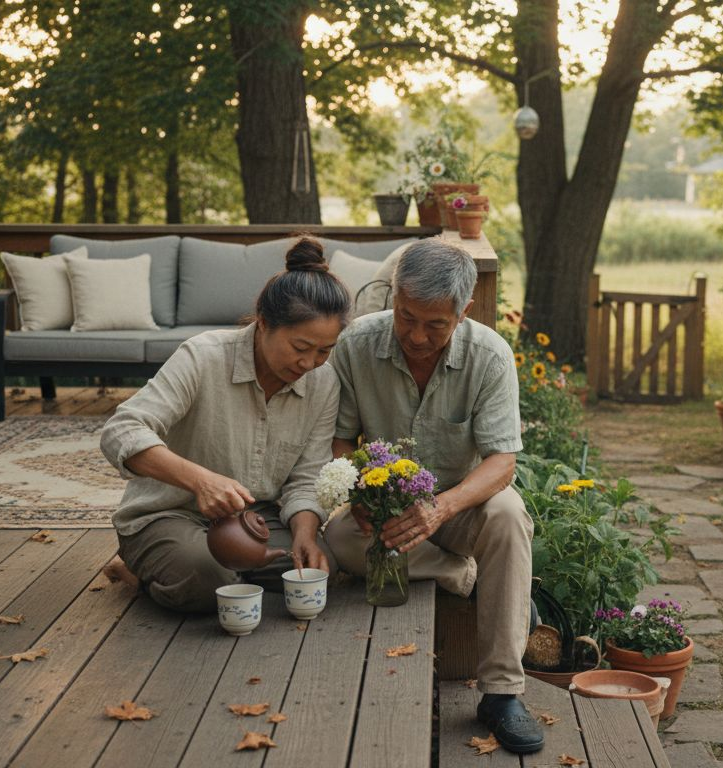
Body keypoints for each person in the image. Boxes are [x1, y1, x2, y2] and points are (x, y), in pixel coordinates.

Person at [324, 239, 543, 754]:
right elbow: (339, 437)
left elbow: (501, 462)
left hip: (462, 504)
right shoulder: (357, 343)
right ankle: (468, 577)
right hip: (387, 505)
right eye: (406, 317)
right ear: (394, 297)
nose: (416, 335)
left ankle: (502, 694)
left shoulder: (490, 355)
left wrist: (440, 508)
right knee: (338, 537)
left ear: (463, 312)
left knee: (510, 516)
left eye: (435, 324)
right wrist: (357, 493)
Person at [99, 238, 346, 612]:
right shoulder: (203, 356)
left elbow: (308, 476)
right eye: (300, 347)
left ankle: (217, 572)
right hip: (169, 514)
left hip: (252, 521)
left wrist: (305, 533)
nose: (309, 363)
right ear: (264, 323)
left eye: (324, 351)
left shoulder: (323, 382)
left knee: (323, 566)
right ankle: (139, 567)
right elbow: (122, 430)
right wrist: (201, 481)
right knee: (209, 577)